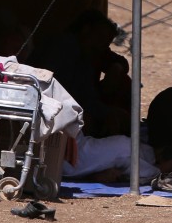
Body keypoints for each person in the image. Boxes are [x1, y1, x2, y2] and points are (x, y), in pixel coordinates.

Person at [30, 9, 131, 138]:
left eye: (106, 43)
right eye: (101, 38)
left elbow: (117, 60)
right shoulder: (66, 49)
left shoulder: (89, 50)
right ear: (86, 30)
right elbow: (73, 95)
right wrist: (106, 113)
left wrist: (116, 67)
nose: (102, 46)